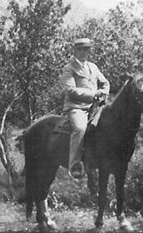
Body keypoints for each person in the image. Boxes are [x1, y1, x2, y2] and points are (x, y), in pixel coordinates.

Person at [60, 38, 110, 180]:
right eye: (80, 49)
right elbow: (71, 91)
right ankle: (75, 166)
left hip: (95, 106)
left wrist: (104, 92)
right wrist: (94, 94)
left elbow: (105, 82)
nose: (83, 52)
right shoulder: (69, 68)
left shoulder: (93, 67)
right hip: (77, 107)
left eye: (86, 50)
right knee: (80, 129)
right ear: (75, 51)